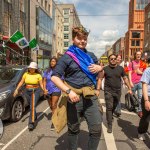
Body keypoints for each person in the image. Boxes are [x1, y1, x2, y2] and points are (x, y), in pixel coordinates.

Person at [51, 26, 102, 150]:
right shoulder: (67, 57)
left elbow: (100, 74)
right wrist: (68, 91)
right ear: (73, 39)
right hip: (73, 98)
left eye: (85, 38)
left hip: (90, 97)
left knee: (96, 129)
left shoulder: (91, 55)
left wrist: (100, 69)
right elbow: (54, 77)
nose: (82, 41)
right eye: (79, 38)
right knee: (73, 129)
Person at [97, 54, 132, 133]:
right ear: (109, 60)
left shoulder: (121, 68)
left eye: (114, 58)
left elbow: (125, 78)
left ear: (117, 60)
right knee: (109, 107)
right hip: (108, 91)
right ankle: (109, 125)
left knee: (114, 106)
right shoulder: (105, 69)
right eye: (111, 59)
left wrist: (129, 88)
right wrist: (98, 90)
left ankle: (110, 115)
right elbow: (100, 79)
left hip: (118, 91)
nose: (113, 60)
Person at [13, 62, 46, 131]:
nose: (31, 69)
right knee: (31, 106)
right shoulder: (25, 74)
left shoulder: (38, 75)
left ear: (35, 69)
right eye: (30, 68)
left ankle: (31, 123)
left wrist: (44, 90)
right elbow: (21, 82)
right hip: (27, 91)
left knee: (32, 106)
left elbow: (41, 84)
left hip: (35, 91)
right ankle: (34, 116)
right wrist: (16, 89)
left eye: (33, 68)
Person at [43, 57, 62, 130]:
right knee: (51, 106)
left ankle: (54, 122)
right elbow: (44, 80)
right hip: (48, 90)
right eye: (51, 61)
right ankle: (55, 114)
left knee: (54, 105)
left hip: (56, 90)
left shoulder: (59, 71)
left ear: (56, 63)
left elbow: (62, 81)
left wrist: (63, 90)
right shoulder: (47, 71)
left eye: (54, 61)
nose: (52, 63)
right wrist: (44, 89)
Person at [128, 50, 146, 118]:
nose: (138, 55)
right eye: (137, 54)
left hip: (140, 82)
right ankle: (133, 106)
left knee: (140, 97)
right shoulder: (132, 63)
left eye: (140, 54)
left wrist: (140, 72)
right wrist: (130, 82)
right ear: (135, 55)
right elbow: (129, 73)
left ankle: (140, 110)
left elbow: (145, 73)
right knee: (132, 95)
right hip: (133, 82)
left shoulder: (143, 63)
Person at [138, 56, 150, 141]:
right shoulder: (148, 71)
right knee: (146, 118)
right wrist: (146, 100)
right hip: (148, 96)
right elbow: (144, 85)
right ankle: (141, 131)